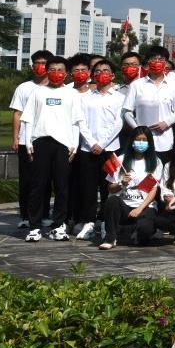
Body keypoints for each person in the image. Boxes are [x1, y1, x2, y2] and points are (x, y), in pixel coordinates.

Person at [20, 57, 90, 241]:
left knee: (62, 187)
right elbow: (28, 118)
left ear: (66, 73)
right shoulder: (38, 91)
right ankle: (34, 227)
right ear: (47, 71)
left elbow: (76, 121)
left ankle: (58, 225)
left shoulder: (71, 93)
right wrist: (28, 143)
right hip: (40, 142)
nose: (56, 73)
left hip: (63, 145)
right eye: (52, 69)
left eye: (60, 70)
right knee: (38, 186)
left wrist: (74, 145)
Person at [73, 59, 124, 241]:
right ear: (92, 75)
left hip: (110, 149)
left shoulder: (119, 98)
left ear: (113, 75)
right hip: (88, 148)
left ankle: (105, 222)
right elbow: (81, 121)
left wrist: (102, 143)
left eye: (106, 70)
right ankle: (88, 221)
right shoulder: (85, 98)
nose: (101, 74)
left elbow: (118, 123)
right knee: (88, 187)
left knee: (108, 187)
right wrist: (92, 142)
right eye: (98, 71)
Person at [99, 125, 161, 250]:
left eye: (144, 140)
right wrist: (121, 183)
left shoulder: (156, 161)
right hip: (125, 204)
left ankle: (138, 232)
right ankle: (110, 238)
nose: (141, 143)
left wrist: (139, 208)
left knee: (145, 233)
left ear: (149, 142)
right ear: (132, 141)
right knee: (112, 200)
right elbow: (110, 188)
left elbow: (153, 189)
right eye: (138, 139)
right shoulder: (120, 160)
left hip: (144, 206)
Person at [9, 49, 52, 230]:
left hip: (47, 139)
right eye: (37, 63)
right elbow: (17, 113)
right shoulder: (24, 88)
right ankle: (25, 215)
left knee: (45, 179)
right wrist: (15, 137)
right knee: (26, 179)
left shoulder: (57, 88)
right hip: (25, 140)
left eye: (44, 63)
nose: (40, 66)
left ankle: (44, 214)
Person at [120, 47, 175, 165]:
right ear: (148, 62)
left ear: (166, 62)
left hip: (165, 140)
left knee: (163, 171)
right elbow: (127, 111)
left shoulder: (174, 85)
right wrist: (138, 130)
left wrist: (166, 123)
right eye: (153, 59)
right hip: (141, 140)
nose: (157, 62)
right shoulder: (137, 85)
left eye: (161, 59)